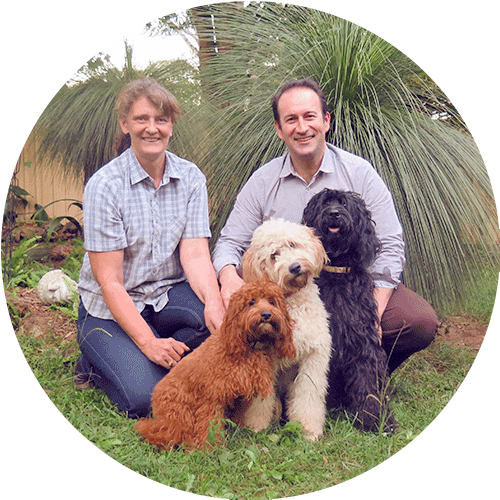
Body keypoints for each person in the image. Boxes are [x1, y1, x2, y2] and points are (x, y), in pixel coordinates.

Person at [212, 78, 438, 374]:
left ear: (326, 120)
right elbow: (229, 242)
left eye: (309, 116)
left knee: (418, 321)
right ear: (279, 130)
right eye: (291, 119)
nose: (302, 127)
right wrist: (229, 279)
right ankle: (283, 378)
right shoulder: (262, 181)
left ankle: (366, 374)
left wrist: (374, 310)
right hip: (289, 293)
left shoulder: (359, 173)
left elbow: (391, 244)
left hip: (352, 288)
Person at [76, 78, 225, 418]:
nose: (152, 128)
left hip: (165, 295)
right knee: (147, 399)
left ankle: (148, 344)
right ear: (125, 124)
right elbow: (110, 281)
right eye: (142, 119)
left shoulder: (190, 178)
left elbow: (196, 254)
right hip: (110, 305)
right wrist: (148, 343)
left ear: (171, 125)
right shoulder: (105, 186)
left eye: (161, 119)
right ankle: (95, 359)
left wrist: (215, 302)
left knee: (216, 327)